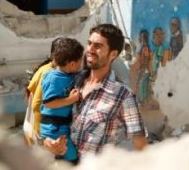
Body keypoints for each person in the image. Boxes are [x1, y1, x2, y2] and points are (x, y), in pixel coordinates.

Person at [45, 24, 147, 160]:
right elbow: (48, 119)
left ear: (113, 54)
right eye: (89, 43)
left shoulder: (123, 96)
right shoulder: (72, 82)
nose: (90, 50)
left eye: (98, 46)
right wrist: (49, 143)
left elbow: (141, 145)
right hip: (64, 167)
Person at [39, 37, 84, 163]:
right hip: (54, 128)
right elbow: (49, 103)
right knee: (71, 156)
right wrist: (71, 99)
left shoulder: (67, 74)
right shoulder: (53, 78)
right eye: (80, 61)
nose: (81, 64)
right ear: (72, 64)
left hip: (61, 125)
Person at [24, 38, 59, 146]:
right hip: (43, 131)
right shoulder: (50, 73)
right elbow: (36, 104)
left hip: (37, 127)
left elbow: (30, 93)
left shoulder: (44, 68)